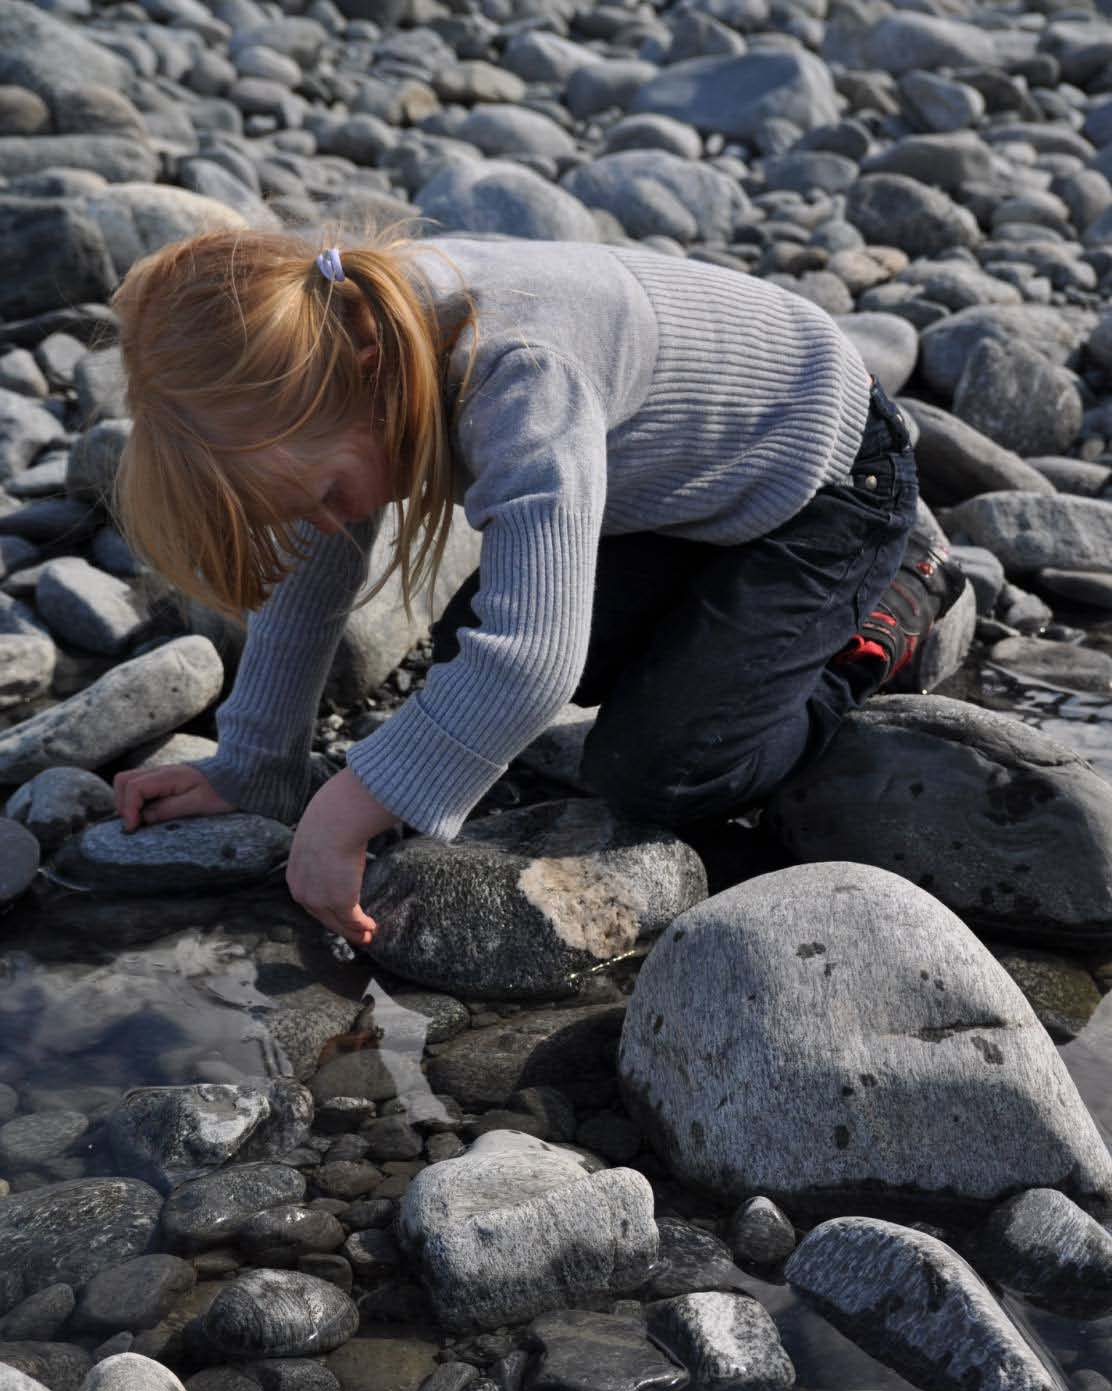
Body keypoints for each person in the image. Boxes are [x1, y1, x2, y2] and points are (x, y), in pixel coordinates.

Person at [111, 225, 971, 947]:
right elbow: (315, 567)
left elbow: (531, 662)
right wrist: (256, 764)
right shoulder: (343, 348)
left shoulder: (520, 370)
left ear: (364, 371)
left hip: (827, 484)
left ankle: (894, 604)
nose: (330, 521)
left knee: (659, 768)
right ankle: (711, 626)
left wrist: (347, 807)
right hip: (685, 497)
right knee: (460, 656)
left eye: (331, 494)